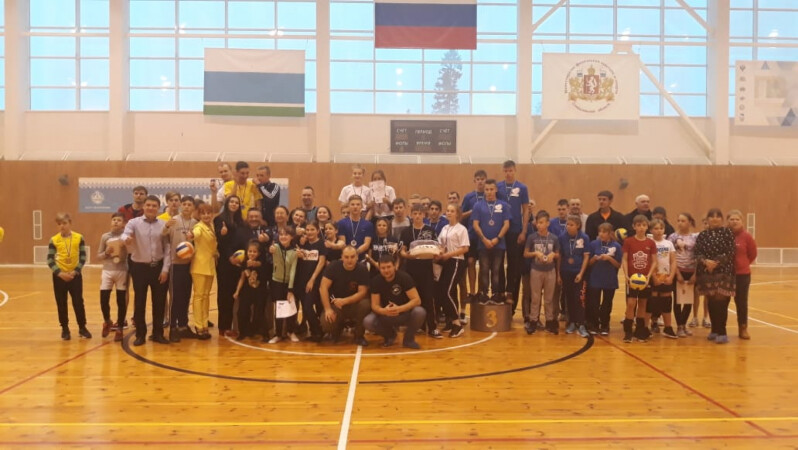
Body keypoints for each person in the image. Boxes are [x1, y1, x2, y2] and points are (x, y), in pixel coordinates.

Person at [122, 195, 172, 346]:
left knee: (159, 303)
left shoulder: (163, 225)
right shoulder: (134, 223)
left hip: (158, 268)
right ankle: (140, 335)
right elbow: (125, 234)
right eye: (148, 205)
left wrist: (165, 269)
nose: (151, 208)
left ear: (158, 208)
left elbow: (168, 248)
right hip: (139, 268)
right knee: (139, 303)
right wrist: (126, 239)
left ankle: (158, 334)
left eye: (154, 206)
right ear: (144, 206)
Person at [364, 256, 427, 349]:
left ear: (394, 266)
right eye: (383, 268)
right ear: (379, 268)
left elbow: (417, 300)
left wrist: (399, 309)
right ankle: (390, 336)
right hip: (386, 315)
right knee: (368, 321)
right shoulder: (376, 281)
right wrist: (384, 311)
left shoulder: (404, 277)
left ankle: (408, 340)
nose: (386, 270)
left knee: (419, 312)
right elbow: (375, 305)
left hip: (404, 313)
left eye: (388, 267)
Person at [695, 208, 736, 344]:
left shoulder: (727, 232)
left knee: (722, 302)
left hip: (724, 271)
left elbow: (730, 251)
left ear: (722, 219)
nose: (715, 219)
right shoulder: (702, 235)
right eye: (711, 216)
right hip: (706, 271)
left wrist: (716, 263)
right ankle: (714, 329)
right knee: (711, 301)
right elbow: (697, 252)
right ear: (707, 219)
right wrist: (706, 262)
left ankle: (722, 331)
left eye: (718, 216)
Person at [48, 213, 91, 341]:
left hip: (74, 276)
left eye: (64, 223)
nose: (62, 226)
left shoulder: (79, 237)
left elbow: (83, 257)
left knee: (78, 302)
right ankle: (65, 329)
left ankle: (82, 327)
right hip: (59, 276)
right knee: (61, 302)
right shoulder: (54, 240)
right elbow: (50, 260)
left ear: (70, 223)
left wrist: (75, 271)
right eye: (59, 224)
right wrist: (59, 273)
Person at [400, 204, 440, 337]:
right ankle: (416, 326)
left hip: (426, 269)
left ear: (424, 215)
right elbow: (402, 251)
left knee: (428, 298)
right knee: (413, 298)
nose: (417, 216)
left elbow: (437, 248)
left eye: (420, 214)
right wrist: (408, 256)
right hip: (411, 270)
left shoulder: (430, 230)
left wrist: (436, 254)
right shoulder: (406, 231)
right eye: (415, 213)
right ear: (411, 215)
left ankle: (432, 327)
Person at [319, 246, 371, 346]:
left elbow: (362, 292)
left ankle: (359, 335)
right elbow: (323, 288)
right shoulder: (333, 267)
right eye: (346, 257)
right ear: (342, 257)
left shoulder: (362, 269)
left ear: (357, 257)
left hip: (354, 304)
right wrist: (328, 309)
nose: (349, 260)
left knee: (366, 304)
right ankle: (336, 331)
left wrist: (345, 301)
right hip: (336, 305)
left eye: (352, 257)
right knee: (326, 323)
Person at [496, 160, 530, 312]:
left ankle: (510, 293)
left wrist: (524, 231)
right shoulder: (498, 187)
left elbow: (526, 210)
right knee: (498, 262)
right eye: (506, 170)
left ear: (515, 170)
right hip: (500, 229)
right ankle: (500, 291)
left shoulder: (522, 188)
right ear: (503, 171)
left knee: (513, 263)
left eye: (510, 170)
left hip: (516, 230)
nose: (508, 173)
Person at [163, 196, 197, 342]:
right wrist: (166, 227)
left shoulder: (195, 223)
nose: (187, 206)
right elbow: (163, 238)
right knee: (175, 298)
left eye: (190, 204)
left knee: (186, 296)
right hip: (175, 265)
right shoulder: (173, 221)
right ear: (181, 206)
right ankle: (173, 328)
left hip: (189, 265)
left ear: (193, 207)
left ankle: (183, 326)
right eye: (184, 204)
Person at [472, 179, 511, 304]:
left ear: (496, 189)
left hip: (499, 245)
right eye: (487, 189)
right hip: (483, 245)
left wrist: (497, 239)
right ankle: (483, 293)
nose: (489, 192)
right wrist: (484, 239)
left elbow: (506, 224)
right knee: (484, 269)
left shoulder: (503, 205)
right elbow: (475, 224)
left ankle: (496, 294)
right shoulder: (478, 206)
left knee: (496, 270)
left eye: (491, 189)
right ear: (484, 190)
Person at [214, 195, 248, 337]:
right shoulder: (219, 219)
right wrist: (229, 257)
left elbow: (245, 242)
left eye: (236, 202)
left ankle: (238, 325)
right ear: (227, 204)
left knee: (237, 294)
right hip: (225, 263)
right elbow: (220, 243)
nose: (234, 204)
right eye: (231, 202)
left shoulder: (242, 223)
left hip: (239, 263)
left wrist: (243, 258)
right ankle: (224, 326)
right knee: (225, 295)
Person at [434, 203, 470, 338]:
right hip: (446, 262)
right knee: (444, 292)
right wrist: (439, 252)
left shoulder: (462, 229)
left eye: (452, 211)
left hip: (456, 261)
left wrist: (448, 254)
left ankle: (457, 323)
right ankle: (450, 321)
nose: (448, 213)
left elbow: (465, 248)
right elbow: (441, 245)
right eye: (447, 211)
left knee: (446, 292)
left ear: (457, 214)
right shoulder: (445, 228)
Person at [621, 214, 657, 343]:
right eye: (638, 225)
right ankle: (628, 331)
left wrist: (648, 276)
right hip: (632, 278)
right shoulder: (628, 241)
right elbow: (625, 259)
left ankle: (640, 331)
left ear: (647, 227)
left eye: (644, 225)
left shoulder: (651, 243)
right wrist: (626, 275)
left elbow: (654, 261)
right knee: (631, 303)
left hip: (645, 280)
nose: (641, 227)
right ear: (634, 227)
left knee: (642, 304)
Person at [523, 210, 560, 335]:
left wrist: (553, 254)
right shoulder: (532, 237)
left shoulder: (554, 238)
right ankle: (533, 321)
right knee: (535, 298)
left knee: (549, 299)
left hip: (550, 271)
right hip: (536, 270)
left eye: (542, 222)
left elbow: (558, 254)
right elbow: (525, 253)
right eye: (538, 223)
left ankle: (550, 322)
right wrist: (535, 253)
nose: (539, 225)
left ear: (548, 223)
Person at [586, 222, 622, 336]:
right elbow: (588, 263)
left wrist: (609, 258)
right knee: (594, 303)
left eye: (604, 232)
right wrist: (594, 259)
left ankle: (605, 324)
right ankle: (594, 324)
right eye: (600, 231)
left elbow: (618, 265)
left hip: (609, 279)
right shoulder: (593, 244)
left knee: (607, 303)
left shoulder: (616, 246)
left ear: (610, 233)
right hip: (595, 278)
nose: (601, 234)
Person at [97, 213, 128, 341]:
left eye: (119, 220)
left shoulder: (126, 237)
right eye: (114, 219)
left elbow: (131, 253)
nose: (116, 222)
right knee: (104, 299)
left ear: (123, 223)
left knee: (121, 300)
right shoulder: (105, 237)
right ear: (111, 222)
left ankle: (120, 327)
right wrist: (106, 252)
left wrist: (125, 247)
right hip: (107, 271)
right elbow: (99, 256)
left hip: (122, 270)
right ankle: (107, 321)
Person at [295, 221, 328, 342]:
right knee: (305, 307)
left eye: (312, 229)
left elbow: (321, 262)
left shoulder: (321, 244)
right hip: (301, 280)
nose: (309, 232)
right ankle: (314, 332)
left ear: (318, 231)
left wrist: (312, 279)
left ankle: (319, 330)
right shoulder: (302, 243)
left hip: (315, 281)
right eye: (307, 230)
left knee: (309, 306)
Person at [558, 215, 590, 338]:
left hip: (578, 273)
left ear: (578, 226)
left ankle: (581, 324)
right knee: (569, 298)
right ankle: (571, 322)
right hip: (566, 272)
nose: (568, 227)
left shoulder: (584, 237)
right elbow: (560, 257)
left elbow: (586, 257)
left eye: (571, 225)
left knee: (579, 298)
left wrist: (581, 273)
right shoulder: (562, 237)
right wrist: (558, 274)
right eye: (567, 224)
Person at [189, 203, 217, 340]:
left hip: (210, 266)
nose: (206, 215)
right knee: (199, 297)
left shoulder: (211, 226)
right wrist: (191, 235)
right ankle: (198, 325)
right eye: (203, 213)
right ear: (199, 215)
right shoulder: (198, 227)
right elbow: (195, 234)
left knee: (206, 297)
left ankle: (205, 324)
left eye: (209, 213)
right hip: (199, 266)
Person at [728, 209, 757, 340]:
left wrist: (743, 264)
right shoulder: (724, 235)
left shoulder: (747, 236)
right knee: (722, 302)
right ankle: (720, 329)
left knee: (741, 302)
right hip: (726, 274)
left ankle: (743, 328)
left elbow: (752, 254)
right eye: (732, 219)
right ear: (727, 221)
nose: (734, 222)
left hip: (742, 275)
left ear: (742, 221)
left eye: (737, 219)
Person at [243, 208, 272, 337]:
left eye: (256, 216)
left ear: (261, 218)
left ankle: (262, 330)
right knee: (246, 305)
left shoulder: (268, 231)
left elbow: (271, 250)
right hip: (247, 273)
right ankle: (247, 330)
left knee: (260, 305)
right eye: (251, 216)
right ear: (247, 218)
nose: (254, 219)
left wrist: (267, 241)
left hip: (263, 273)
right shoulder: (242, 231)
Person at [669, 212, 698, 337]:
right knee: (677, 300)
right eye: (679, 220)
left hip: (691, 272)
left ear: (690, 222)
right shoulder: (672, 237)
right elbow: (670, 258)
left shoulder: (696, 237)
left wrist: (695, 274)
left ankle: (684, 324)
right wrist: (677, 273)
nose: (680, 223)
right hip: (678, 271)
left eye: (683, 221)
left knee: (688, 300)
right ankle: (679, 326)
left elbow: (698, 257)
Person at [267, 228, 299, 343]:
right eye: (281, 235)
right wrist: (270, 249)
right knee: (279, 308)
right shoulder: (275, 248)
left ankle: (291, 331)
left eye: (286, 234)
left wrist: (290, 289)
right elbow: (271, 249)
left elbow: (293, 270)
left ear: (291, 237)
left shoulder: (294, 252)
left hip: (289, 283)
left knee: (291, 307)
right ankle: (278, 334)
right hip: (277, 282)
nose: (283, 237)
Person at [233, 240, 268, 341]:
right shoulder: (244, 263)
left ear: (259, 253)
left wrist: (257, 264)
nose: (252, 253)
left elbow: (265, 276)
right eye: (250, 251)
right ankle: (243, 332)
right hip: (247, 291)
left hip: (259, 292)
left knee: (259, 313)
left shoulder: (262, 263)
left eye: (254, 251)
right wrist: (237, 291)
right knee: (242, 312)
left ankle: (264, 334)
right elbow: (242, 278)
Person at [461, 170, 487, 304]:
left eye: (482, 179)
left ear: (486, 180)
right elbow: (460, 215)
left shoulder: (490, 195)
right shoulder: (469, 197)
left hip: (485, 236)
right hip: (471, 235)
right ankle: (472, 292)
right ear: (474, 181)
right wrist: (472, 212)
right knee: (471, 262)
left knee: (484, 265)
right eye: (478, 179)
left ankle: (481, 292)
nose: (480, 181)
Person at [650, 219, 677, 339]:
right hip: (653, 276)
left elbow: (673, 261)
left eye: (661, 228)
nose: (659, 231)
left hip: (666, 276)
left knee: (666, 302)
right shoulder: (650, 243)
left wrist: (671, 276)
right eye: (656, 228)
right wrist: (654, 276)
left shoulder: (668, 244)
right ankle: (651, 324)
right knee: (652, 301)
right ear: (651, 230)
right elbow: (649, 261)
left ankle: (668, 327)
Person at [337, 195, 374, 261]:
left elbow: (366, 244)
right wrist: (350, 255)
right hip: (346, 258)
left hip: (361, 259)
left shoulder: (368, 224)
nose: (355, 207)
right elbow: (342, 243)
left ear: (361, 206)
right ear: (348, 206)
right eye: (352, 204)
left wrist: (354, 253)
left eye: (358, 204)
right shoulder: (341, 223)